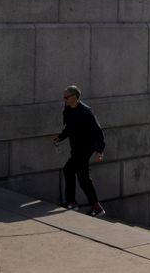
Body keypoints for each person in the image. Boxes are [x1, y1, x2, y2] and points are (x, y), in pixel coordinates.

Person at [52, 85, 106, 217]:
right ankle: (74, 202)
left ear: (75, 97)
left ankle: (95, 207)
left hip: (86, 147)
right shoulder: (68, 109)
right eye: (64, 97)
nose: (64, 99)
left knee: (82, 177)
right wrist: (61, 137)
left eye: (66, 97)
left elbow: (98, 133)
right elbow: (69, 127)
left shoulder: (86, 112)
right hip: (76, 148)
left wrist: (100, 151)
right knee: (70, 171)